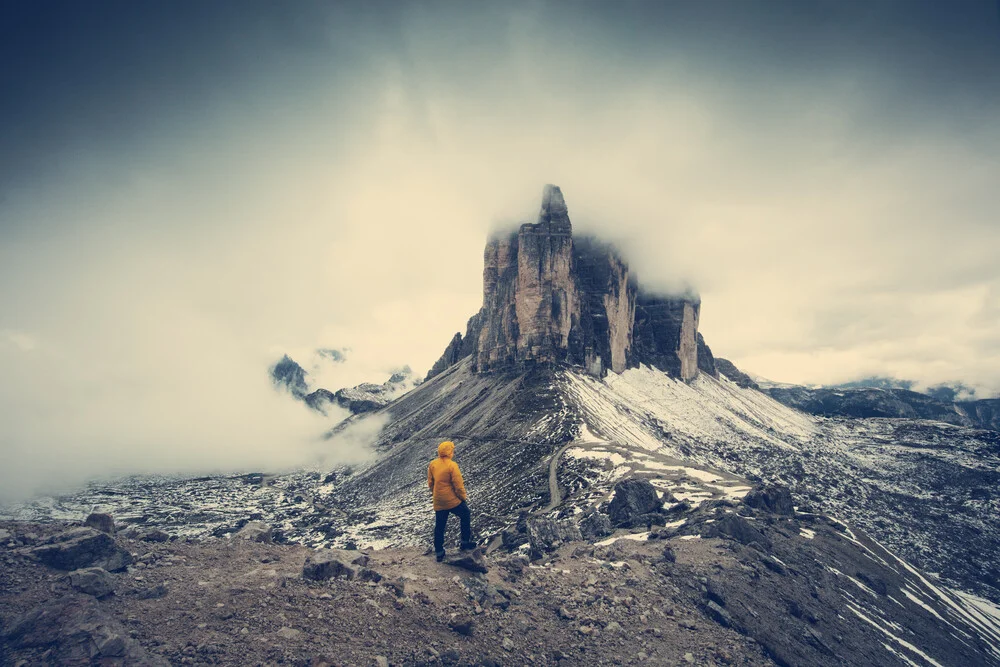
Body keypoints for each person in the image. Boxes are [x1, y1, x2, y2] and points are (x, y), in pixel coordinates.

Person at [427, 440, 473, 561]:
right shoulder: (452, 465)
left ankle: (439, 551)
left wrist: (436, 493)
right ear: (450, 452)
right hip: (452, 500)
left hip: (438, 500)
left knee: (440, 525)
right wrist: (463, 498)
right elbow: (458, 485)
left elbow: (431, 483)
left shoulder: (433, 464)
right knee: (465, 515)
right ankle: (465, 542)